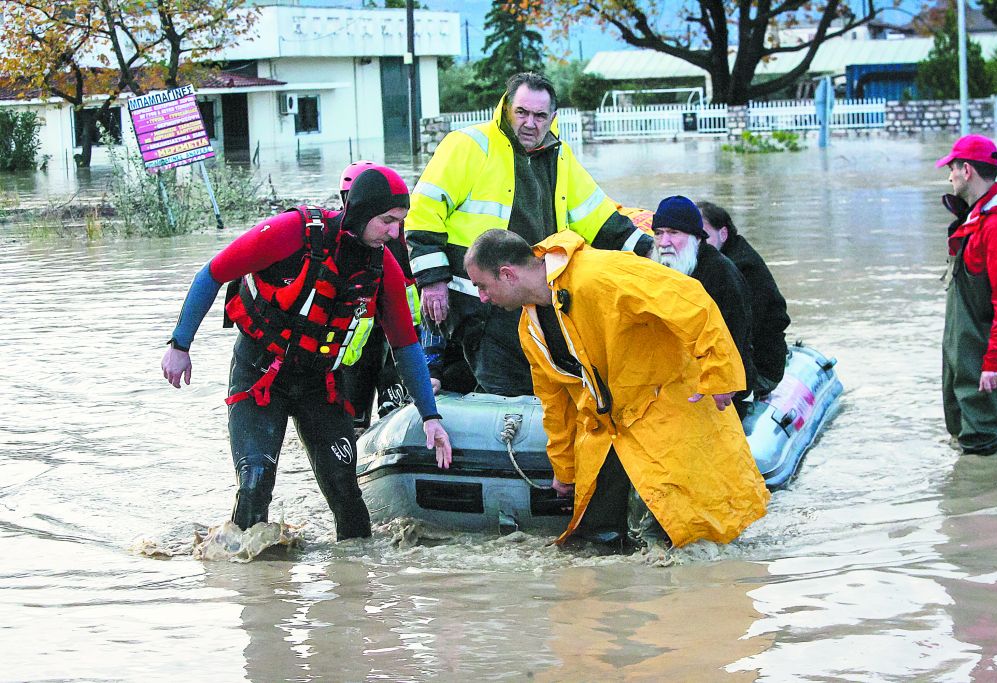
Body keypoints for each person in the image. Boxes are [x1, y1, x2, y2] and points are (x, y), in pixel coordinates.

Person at [160, 166, 452, 540]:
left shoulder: (384, 268)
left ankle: (355, 586)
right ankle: (252, 582)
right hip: (260, 375)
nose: (396, 232)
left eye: (400, 222)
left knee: (347, 497)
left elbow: (405, 345)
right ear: (361, 213)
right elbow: (212, 274)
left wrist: (430, 416)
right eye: (387, 221)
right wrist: (180, 345)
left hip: (320, 385)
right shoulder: (291, 233)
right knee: (254, 484)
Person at [463, 229, 770, 550]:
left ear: (507, 274)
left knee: (684, 535)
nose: (482, 297)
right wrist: (564, 469)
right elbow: (556, 404)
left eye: (482, 286)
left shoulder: (601, 275)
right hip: (612, 432)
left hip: (670, 417)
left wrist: (721, 373)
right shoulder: (531, 329)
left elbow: (689, 298)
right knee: (594, 543)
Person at [406, 71, 653, 396]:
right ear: (506, 108)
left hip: (536, 296)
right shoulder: (469, 145)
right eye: (521, 112)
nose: (529, 123)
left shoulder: (560, 158)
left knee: (539, 383)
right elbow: (424, 210)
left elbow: (602, 220)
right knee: (503, 384)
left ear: (552, 117)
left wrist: (653, 255)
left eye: (539, 116)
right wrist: (432, 280)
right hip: (479, 300)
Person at [937, 134, 997, 455]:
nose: (949, 176)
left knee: (984, 452)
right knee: (965, 445)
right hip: (965, 360)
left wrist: (996, 362)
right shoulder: (974, 219)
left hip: (985, 364)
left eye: (952, 168)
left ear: (967, 171)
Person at [651, 196, 757, 419]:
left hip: (722, 389)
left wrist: (721, 381)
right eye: (658, 233)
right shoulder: (658, 270)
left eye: (673, 232)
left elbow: (735, 336)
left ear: (696, 238)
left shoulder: (721, 274)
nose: (663, 242)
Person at [338, 161, 420, 429]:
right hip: (357, 345)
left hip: (395, 338)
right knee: (354, 419)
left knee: (394, 411)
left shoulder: (396, 234)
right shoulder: (339, 240)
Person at [697, 200, 790, 399]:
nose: (698, 241)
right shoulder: (728, 257)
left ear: (723, 233)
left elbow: (741, 332)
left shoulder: (737, 269)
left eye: (704, 235)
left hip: (760, 370)